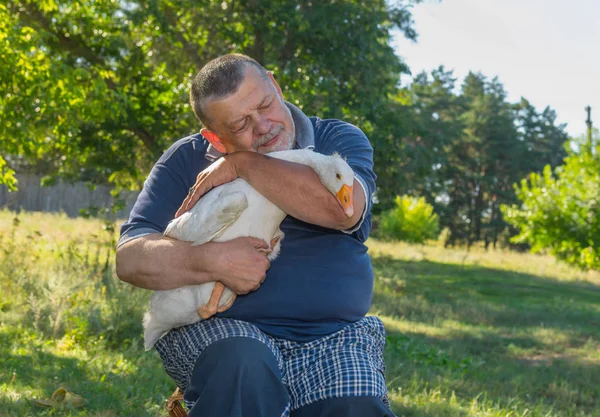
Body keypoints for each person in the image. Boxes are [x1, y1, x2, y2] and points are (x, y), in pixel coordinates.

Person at [116, 54, 393, 417]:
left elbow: (344, 210)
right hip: (226, 332)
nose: (263, 126)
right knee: (242, 365)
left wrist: (241, 163)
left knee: (355, 403)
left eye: (265, 104)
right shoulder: (186, 160)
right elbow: (130, 259)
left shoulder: (336, 138)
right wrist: (210, 260)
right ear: (215, 136)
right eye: (241, 123)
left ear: (276, 86)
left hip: (332, 334)